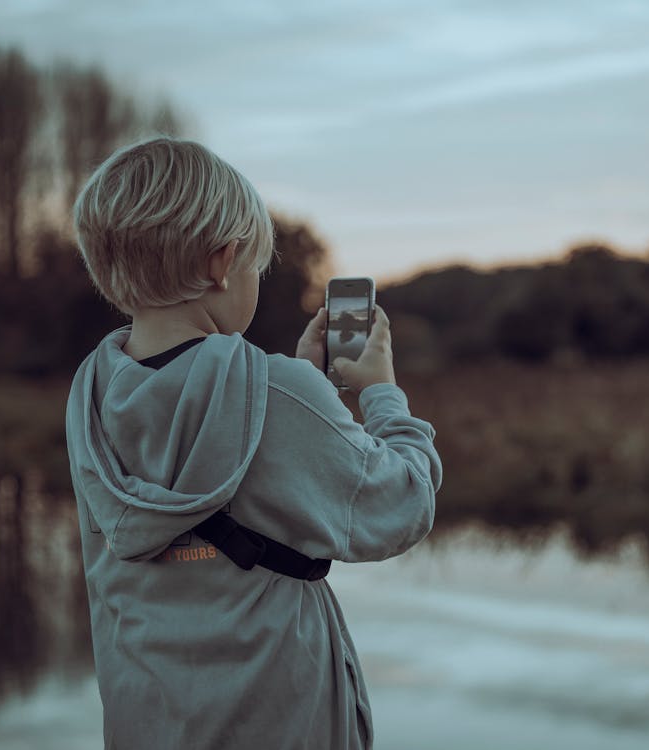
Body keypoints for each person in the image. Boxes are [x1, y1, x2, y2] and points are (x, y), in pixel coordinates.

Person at [64, 135, 442, 749]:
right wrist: (381, 394)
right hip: (274, 722)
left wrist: (308, 393)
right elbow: (399, 505)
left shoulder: (92, 393)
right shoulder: (277, 392)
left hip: (149, 724)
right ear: (221, 262)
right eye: (254, 267)